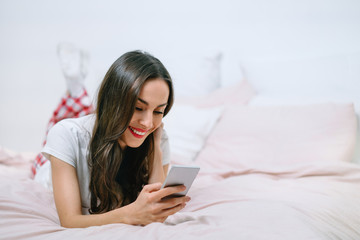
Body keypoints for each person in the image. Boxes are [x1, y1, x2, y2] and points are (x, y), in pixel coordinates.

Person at [34, 50, 190, 227]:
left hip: (103, 127)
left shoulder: (157, 136)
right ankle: (75, 88)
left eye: (158, 111)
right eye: (138, 107)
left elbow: (156, 208)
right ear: (113, 101)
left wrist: (155, 146)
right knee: (62, 125)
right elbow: (70, 221)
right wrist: (129, 214)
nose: (147, 123)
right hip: (47, 168)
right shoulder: (66, 134)